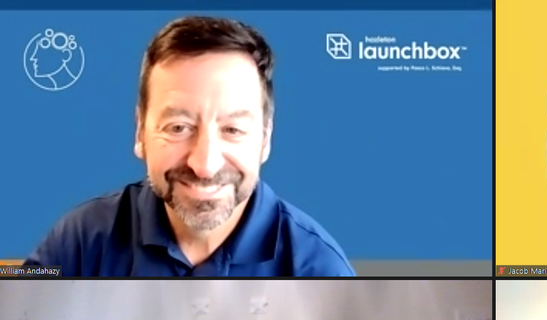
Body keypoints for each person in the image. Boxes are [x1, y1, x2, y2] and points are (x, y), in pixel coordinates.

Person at [22, 16, 355, 277]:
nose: (205, 165)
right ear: (140, 132)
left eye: (233, 129)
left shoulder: (320, 269)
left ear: (265, 140)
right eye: (179, 128)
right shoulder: (78, 244)